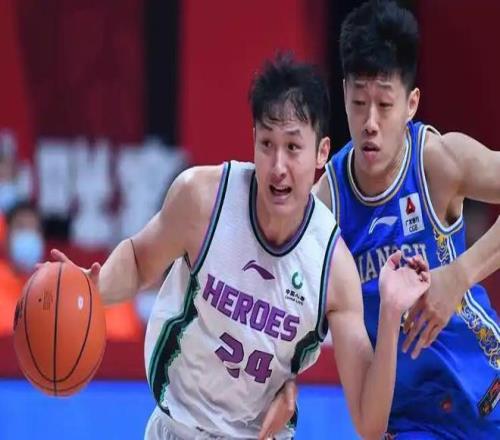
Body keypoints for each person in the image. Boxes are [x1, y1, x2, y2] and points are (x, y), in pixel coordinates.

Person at [51, 54, 429, 440]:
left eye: (293, 147)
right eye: (267, 144)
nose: (278, 165)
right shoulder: (202, 199)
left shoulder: (333, 268)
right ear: (253, 142)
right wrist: (94, 288)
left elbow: (370, 424)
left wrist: (390, 314)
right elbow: (138, 261)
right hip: (177, 428)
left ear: (321, 152)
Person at [314, 1, 500, 438]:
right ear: (343, 95)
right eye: (358, 103)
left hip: (489, 391)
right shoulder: (326, 206)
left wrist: (458, 275)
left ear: (411, 103)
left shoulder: (438, 161)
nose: (370, 123)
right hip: (411, 420)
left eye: (384, 104)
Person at [0, 201, 44, 335]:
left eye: (33, 229)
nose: (28, 236)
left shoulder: (52, 287)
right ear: (6, 237)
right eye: (21, 227)